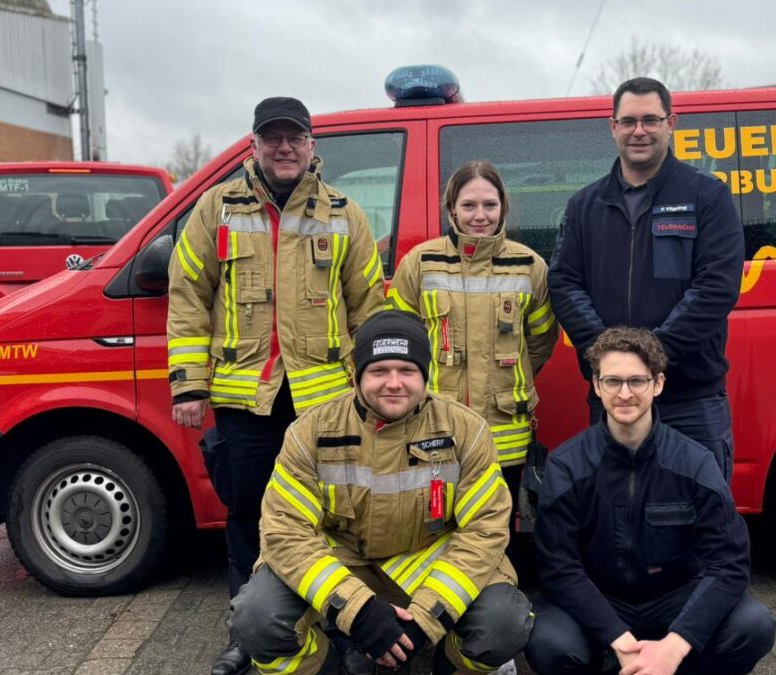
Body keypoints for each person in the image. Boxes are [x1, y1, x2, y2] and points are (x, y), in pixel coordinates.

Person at [166, 96, 385, 675]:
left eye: (295, 138)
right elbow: (188, 298)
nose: (284, 148)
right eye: (273, 138)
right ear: (255, 144)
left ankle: (340, 630)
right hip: (246, 401)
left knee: (335, 516)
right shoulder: (216, 208)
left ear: (313, 146)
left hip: (328, 403)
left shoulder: (345, 214)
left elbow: (368, 308)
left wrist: (374, 392)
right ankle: (252, 630)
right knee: (249, 515)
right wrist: (188, 385)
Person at [228, 311, 533, 675]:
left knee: (504, 623)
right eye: (378, 371)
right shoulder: (309, 432)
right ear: (357, 375)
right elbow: (285, 531)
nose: (394, 383)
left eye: (407, 370)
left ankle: (447, 665)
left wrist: (424, 620)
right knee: (257, 619)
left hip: (428, 562)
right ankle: (329, 667)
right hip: (345, 564)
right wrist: (356, 612)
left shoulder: (466, 431)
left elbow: (485, 531)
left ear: (425, 373)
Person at [525, 326, 775, 675]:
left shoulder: (695, 462)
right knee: (549, 643)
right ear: (597, 386)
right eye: (612, 381)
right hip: (599, 598)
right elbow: (559, 568)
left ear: (658, 384)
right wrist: (618, 638)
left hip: (673, 599)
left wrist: (676, 645)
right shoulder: (567, 465)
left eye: (637, 381)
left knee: (754, 625)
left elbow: (729, 564)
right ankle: (619, 663)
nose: (624, 393)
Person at [548, 77, 745, 480]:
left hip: (690, 398)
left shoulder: (707, 196)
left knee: (700, 518)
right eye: (629, 121)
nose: (640, 131)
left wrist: (652, 355)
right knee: (618, 518)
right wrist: (610, 357)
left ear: (671, 123)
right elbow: (565, 283)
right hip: (612, 398)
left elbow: (716, 287)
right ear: (612, 127)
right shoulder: (585, 205)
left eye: (651, 120)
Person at [385, 160, 559, 532]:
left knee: (497, 526)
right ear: (452, 209)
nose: (480, 215)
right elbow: (399, 340)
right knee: (434, 525)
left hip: (506, 426)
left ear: (503, 208)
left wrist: (510, 376)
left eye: (489, 205)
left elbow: (541, 340)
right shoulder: (421, 262)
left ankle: (497, 588)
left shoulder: (530, 266)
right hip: (433, 421)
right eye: (468, 205)